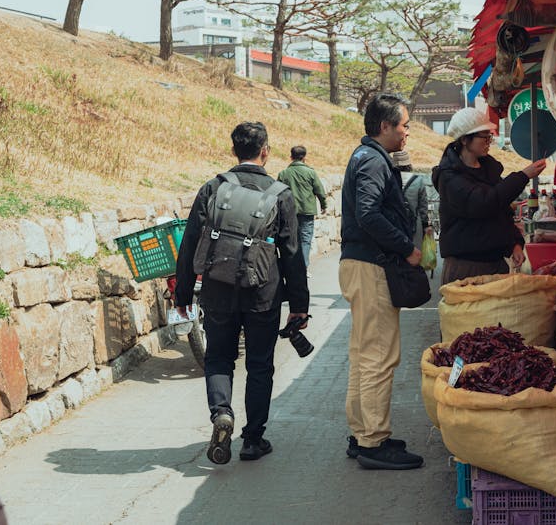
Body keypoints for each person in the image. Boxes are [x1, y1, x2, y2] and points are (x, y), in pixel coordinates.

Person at [174, 122, 310, 466]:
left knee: (219, 357)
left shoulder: (214, 187)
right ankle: (253, 439)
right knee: (260, 364)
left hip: (218, 288)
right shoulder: (280, 193)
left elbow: (191, 242)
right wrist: (299, 305)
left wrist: (184, 294)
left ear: (234, 150)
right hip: (263, 291)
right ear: (265, 151)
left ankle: (222, 413)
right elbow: (292, 254)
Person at [339, 93, 424, 471]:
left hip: (359, 264)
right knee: (378, 355)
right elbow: (369, 214)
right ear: (385, 126)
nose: (407, 132)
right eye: (404, 125)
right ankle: (373, 441)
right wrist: (406, 247)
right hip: (372, 267)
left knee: (363, 354)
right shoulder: (373, 161)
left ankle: (362, 434)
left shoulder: (365, 157)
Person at [432, 107, 546, 286]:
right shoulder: (449, 177)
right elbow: (484, 203)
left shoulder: (488, 170)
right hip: (465, 267)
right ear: (464, 139)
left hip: (495, 263)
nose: (488, 142)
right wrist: (523, 176)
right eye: (484, 137)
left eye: (489, 137)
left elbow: (501, 211)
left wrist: (514, 243)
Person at [277, 145, 327, 274]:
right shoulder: (311, 173)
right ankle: (302, 268)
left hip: (289, 211)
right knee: (305, 240)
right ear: (304, 157)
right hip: (307, 211)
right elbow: (320, 191)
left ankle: (290, 268)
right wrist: (324, 205)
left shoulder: (283, 173)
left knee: (291, 240)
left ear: (291, 157)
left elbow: (277, 192)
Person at [391, 149, 433, 249]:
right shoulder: (418, 180)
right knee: (414, 254)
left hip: (394, 224)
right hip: (415, 225)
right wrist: (426, 225)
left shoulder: (389, 179)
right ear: (408, 164)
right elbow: (423, 206)